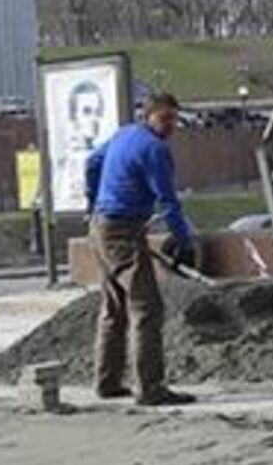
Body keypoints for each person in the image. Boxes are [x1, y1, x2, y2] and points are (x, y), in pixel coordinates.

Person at [83, 93, 198, 407]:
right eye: (165, 119)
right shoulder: (155, 150)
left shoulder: (124, 134)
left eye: (175, 119)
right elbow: (167, 200)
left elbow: (92, 162)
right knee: (146, 308)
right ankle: (150, 388)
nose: (171, 126)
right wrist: (184, 241)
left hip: (100, 227)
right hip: (122, 232)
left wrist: (92, 200)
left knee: (114, 308)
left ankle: (106, 382)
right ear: (149, 116)